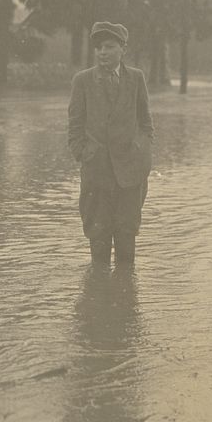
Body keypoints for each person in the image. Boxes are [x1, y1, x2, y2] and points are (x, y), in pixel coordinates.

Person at [68, 22, 154, 267]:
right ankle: (100, 299)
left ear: (122, 49)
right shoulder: (82, 81)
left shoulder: (136, 78)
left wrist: (143, 152)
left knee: (127, 239)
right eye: (99, 47)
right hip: (97, 172)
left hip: (131, 172)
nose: (102, 52)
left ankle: (125, 300)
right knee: (98, 239)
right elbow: (74, 128)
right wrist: (85, 154)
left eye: (109, 46)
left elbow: (146, 123)